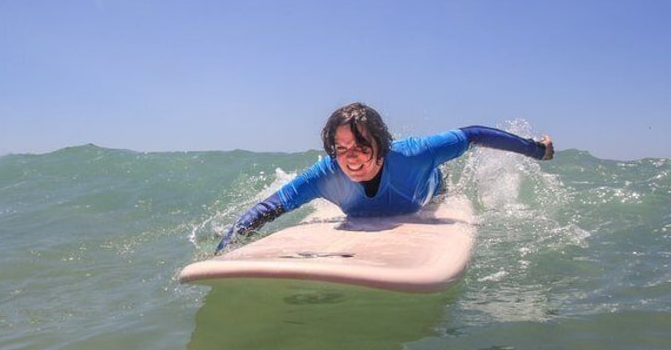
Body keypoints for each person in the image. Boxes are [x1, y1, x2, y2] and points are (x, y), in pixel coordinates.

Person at [216, 102, 554, 252]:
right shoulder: (327, 174)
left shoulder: (414, 154)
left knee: (442, 187)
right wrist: (226, 247)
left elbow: (473, 134)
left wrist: (536, 150)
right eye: (341, 149)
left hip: (429, 193)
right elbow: (272, 206)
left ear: (382, 142)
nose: (352, 158)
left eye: (362, 146)